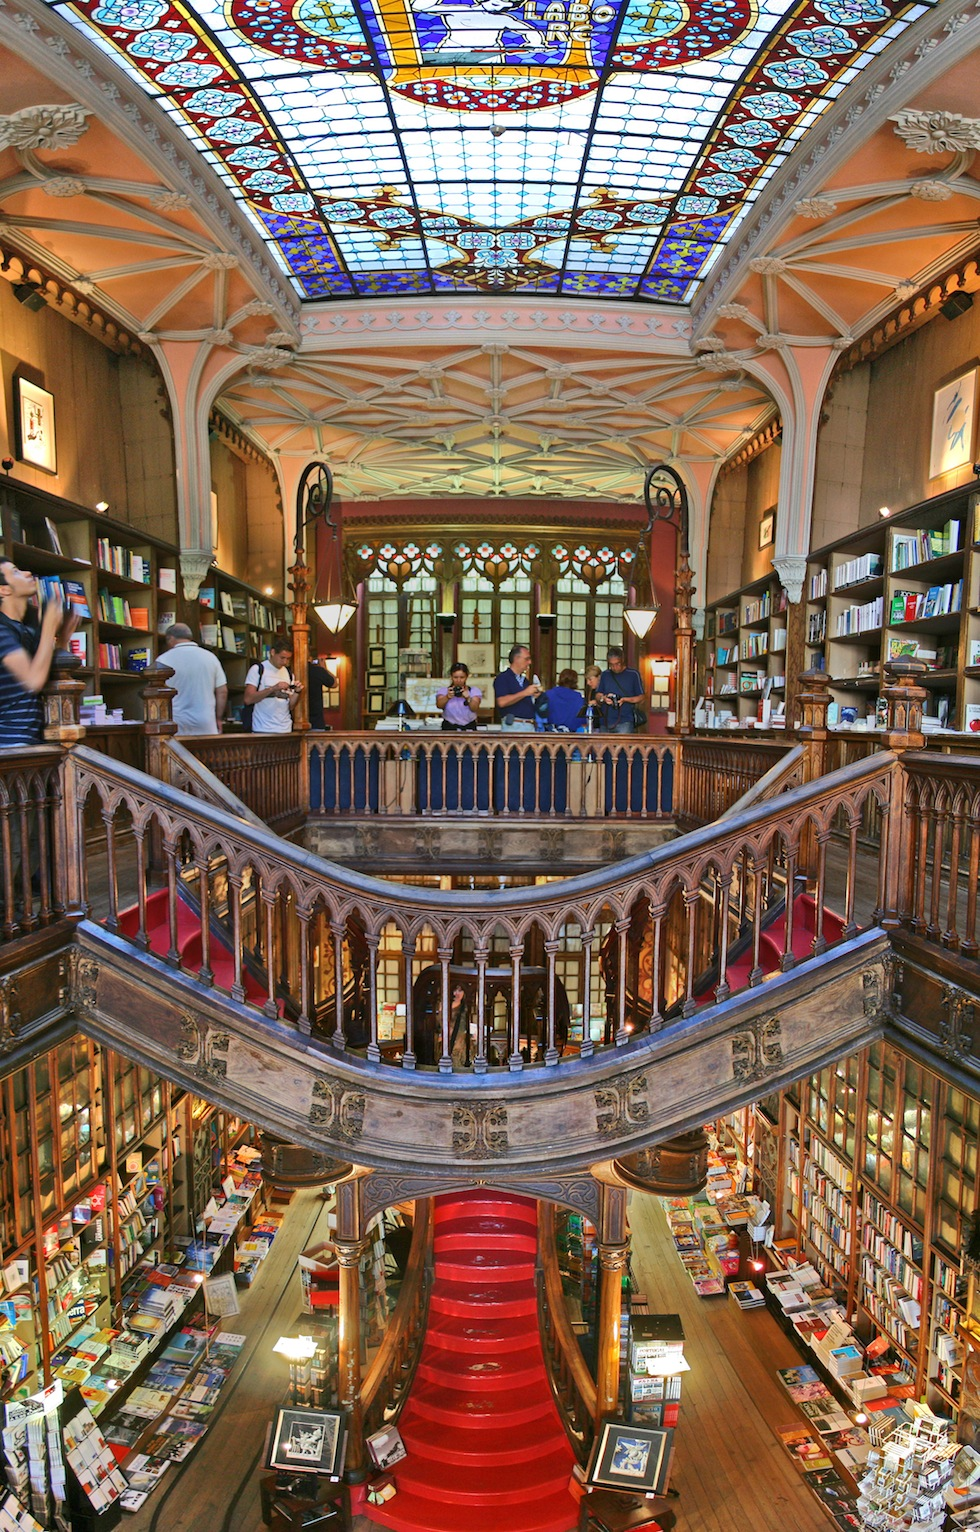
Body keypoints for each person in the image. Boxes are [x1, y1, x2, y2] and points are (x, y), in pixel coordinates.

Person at [0, 556, 78, 747]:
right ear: (4, 589)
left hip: (31, 740)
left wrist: (63, 639)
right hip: (10, 743)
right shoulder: (1, 631)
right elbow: (33, 681)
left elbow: (44, 675)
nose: (28, 573)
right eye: (16, 572)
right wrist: (49, 628)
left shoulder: (25, 629)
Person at [163, 623, 227, 736]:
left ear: (171, 639)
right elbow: (222, 691)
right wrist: (218, 718)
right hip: (206, 721)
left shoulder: (163, 660)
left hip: (176, 722)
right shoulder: (210, 658)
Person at [243, 638, 302, 733]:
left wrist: (297, 692)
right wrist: (273, 689)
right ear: (273, 652)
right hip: (262, 728)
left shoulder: (289, 674)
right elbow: (248, 699)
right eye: (282, 657)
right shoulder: (258, 670)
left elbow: (290, 706)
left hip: (285, 728)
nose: (285, 662)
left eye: (288, 659)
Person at [595, 646, 645, 733]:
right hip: (605, 721)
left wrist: (625, 700)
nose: (614, 667)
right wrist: (604, 698)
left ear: (622, 660)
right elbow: (598, 695)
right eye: (611, 665)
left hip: (625, 720)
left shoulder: (633, 674)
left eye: (617, 664)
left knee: (623, 746)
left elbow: (641, 697)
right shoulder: (605, 675)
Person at [493, 644, 540, 731]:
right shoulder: (503, 678)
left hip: (529, 725)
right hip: (513, 726)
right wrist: (525, 693)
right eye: (526, 659)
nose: (530, 662)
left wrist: (534, 697)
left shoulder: (525, 681)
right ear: (516, 659)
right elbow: (502, 702)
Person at [437, 662, 481, 731]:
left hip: (468, 727)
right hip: (449, 726)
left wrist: (468, 698)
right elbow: (439, 705)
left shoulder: (473, 691)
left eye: (462, 677)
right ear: (451, 677)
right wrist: (447, 697)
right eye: (455, 677)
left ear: (466, 677)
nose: (458, 680)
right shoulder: (444, 691)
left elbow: (475, 708)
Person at [307, 657, 337, 730]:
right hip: (316, 721)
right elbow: (334, 684)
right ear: (310, 658)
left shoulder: (289, 670)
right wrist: (324, 668)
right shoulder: (317, 671)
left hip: (292, 722)